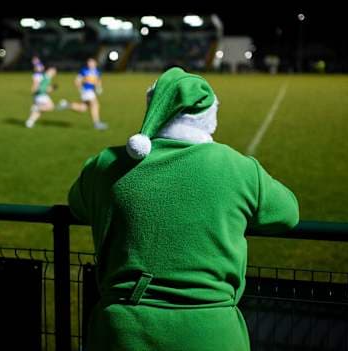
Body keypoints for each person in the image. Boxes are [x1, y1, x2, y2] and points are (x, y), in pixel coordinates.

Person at [68, 67, 299, 351]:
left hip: (120, 332)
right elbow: (289, 214)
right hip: (211, 333)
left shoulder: (106, 164)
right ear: (208, 117)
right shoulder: (238, 168)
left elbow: (77, 205)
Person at [61, 58, 108, 130]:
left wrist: (99, 88)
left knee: (82, 108)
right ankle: (97, 124)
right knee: (95, 104)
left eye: (92, 62)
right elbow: (76, 81)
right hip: (86, 91)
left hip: (91, 91)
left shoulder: (97, 72)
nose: (90, 64)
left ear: (95, 63)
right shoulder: (84, 71)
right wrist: (81, 89)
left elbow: (98, 81)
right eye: (89, 62)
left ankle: (66, 105)